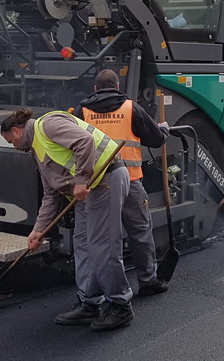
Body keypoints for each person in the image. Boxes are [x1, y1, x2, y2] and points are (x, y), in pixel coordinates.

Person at [0, 107, 135, 331]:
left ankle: (120, 305)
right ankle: (89, 302)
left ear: (16, 130)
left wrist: (81, 181)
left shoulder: (48, 125)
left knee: (102, 246)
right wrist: (38, 229)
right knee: (82, 244)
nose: (14, 146)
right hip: (84, 192)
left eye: (10, 141)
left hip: (106, 180)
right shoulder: (37, 150)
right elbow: (51, 193)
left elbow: (85, 142)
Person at [77, 70, 170, 296]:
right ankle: (148, 280)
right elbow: (155, 139)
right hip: (130, 181)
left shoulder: (83, 111)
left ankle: (95, 290)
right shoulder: (130, 108)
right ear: (117, 87)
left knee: (99, 239)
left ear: (96, 89)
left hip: (96, 185)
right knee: (140, 232)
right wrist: (164, 129)